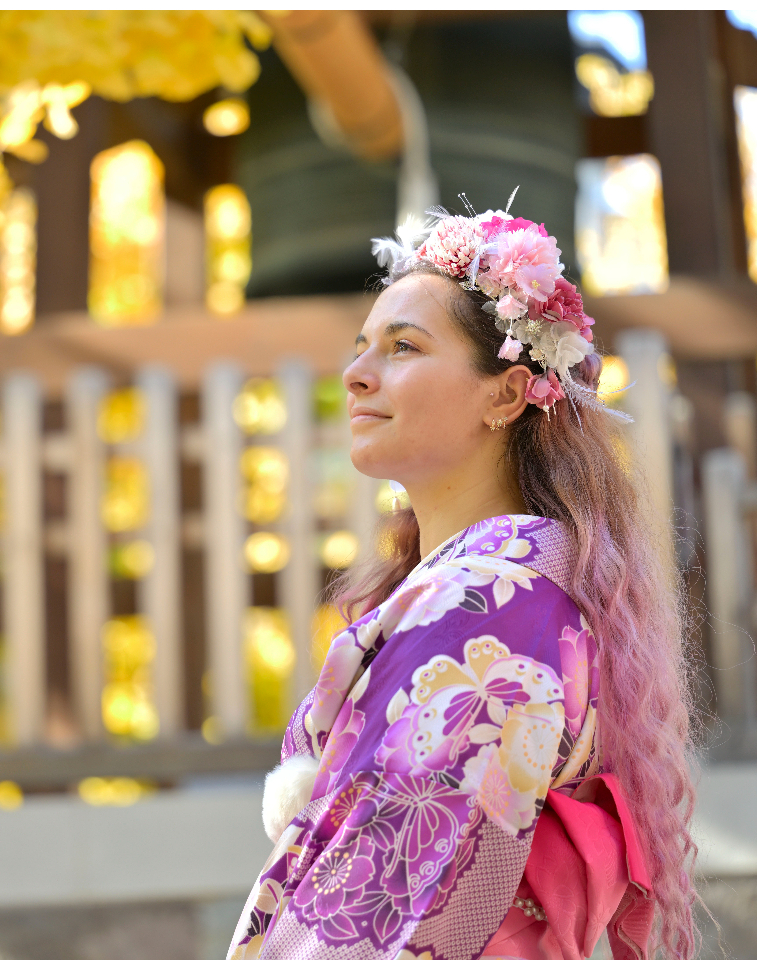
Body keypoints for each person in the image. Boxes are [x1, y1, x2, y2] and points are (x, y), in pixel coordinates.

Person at [226, 200, 699, 960]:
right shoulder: (515, 585)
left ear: (507, 394)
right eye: (361, 348)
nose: (355, 375)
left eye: (403, 347)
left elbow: (392, 909)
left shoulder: (489, 603)